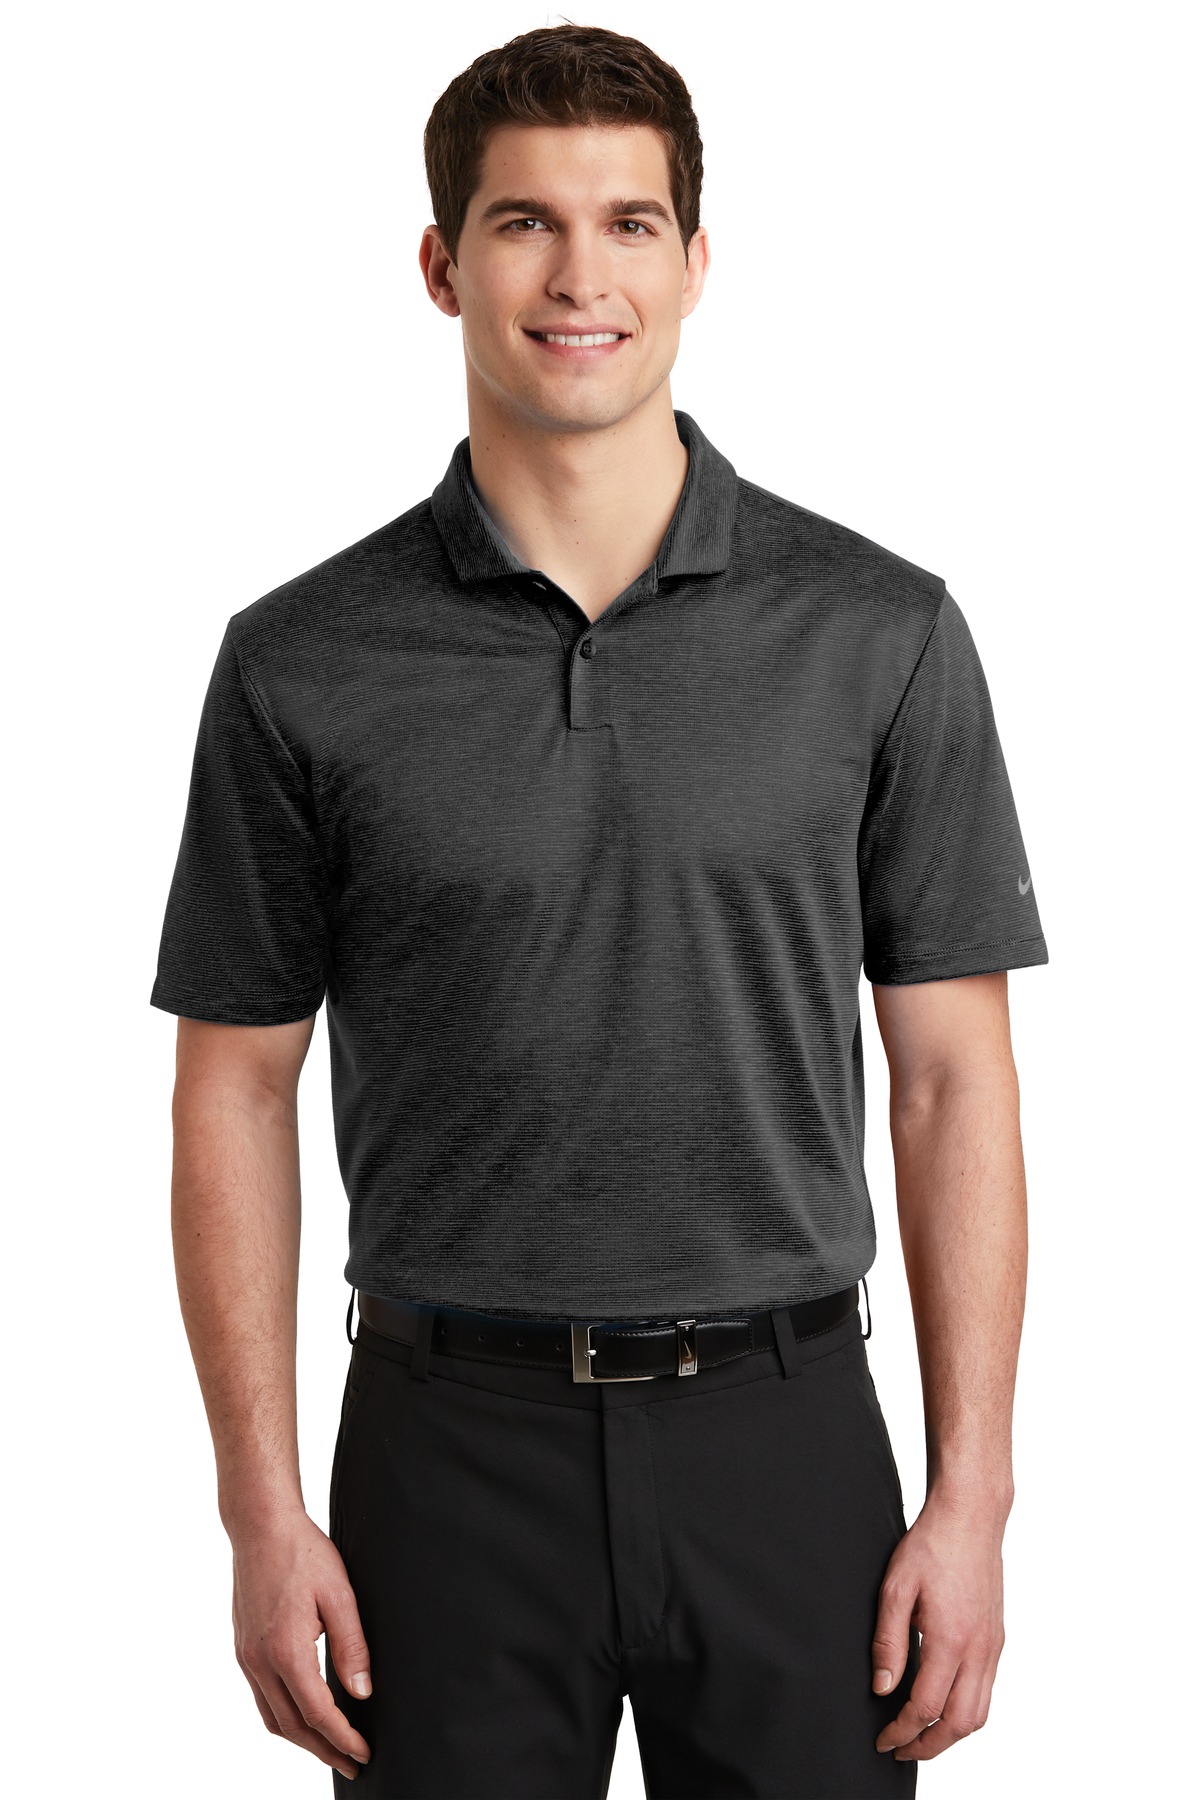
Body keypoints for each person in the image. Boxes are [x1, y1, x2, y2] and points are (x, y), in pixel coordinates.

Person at [150, 23, 1049, 1798]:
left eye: (630, 224)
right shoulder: (300, 662)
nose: (581, 277)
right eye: (525, 224)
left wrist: (975, 1496)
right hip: (442, 1456)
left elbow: (954, 1081)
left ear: (696, 262)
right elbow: (233, 1087)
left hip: (789, 1440)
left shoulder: (879, 631)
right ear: (441, 264)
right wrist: (259, 1509)